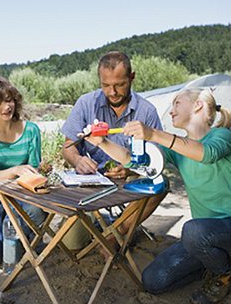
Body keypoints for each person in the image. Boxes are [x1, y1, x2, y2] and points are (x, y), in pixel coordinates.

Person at [81, 88, 231, 304]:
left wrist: (154, 134)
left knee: (193, 230)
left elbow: (207, 154)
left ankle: (225, 273)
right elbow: (137, 162)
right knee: (153, 281)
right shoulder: (178, 149)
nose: (171, 111)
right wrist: (102, 143)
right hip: (202, 237)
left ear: (198, 106)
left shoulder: (221, 136)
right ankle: (212, 262)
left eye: (177, 103)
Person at [61, 51, 165, 222]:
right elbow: (67, 147)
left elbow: (157, 161)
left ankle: (115, 235)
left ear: (132, 77)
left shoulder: (147, 112)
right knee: (72, 244)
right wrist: (78, 161)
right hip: (91, 182)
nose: (112, 92)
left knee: (161, 185)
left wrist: (130, 169)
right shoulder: (86, 103)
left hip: (131, 183)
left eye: (119, 84)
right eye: (106, 85)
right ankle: (112, 232)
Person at [0, 75, 47, 269]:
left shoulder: (31, 130)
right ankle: (12, 233)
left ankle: (15, 233)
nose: (7, 107)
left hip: (21, 197)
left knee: (13, 238)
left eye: (9, 99)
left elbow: (34, 171)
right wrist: (16, 170)